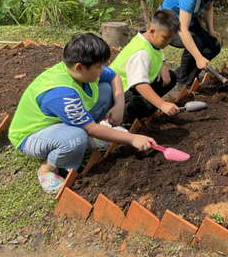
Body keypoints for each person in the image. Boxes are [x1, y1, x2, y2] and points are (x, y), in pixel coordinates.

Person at [8, 33, 155, 194]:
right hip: (32, 136)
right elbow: (91, 128)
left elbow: (114, 76)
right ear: (79, 67)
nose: (102, 70)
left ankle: (88, 141)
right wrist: (133, 139)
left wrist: (119, 104)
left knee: (105, 89)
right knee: (77, 137)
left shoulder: (79, 70)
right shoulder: (62, 93)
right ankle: (47, 169)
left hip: (60, 122)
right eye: (98, 66)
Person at [110, 9, 181, 124]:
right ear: (152, 31)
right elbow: (140, 85)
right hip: (118, 94)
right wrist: (162, 104)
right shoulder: (141, 52)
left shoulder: (148, 39)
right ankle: (114, 119)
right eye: (165, 38)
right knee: (149, 104)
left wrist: (163, 64)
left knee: (170, 77)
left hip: (130, 89)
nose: (168, 42)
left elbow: (156, 51)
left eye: (171, 38)